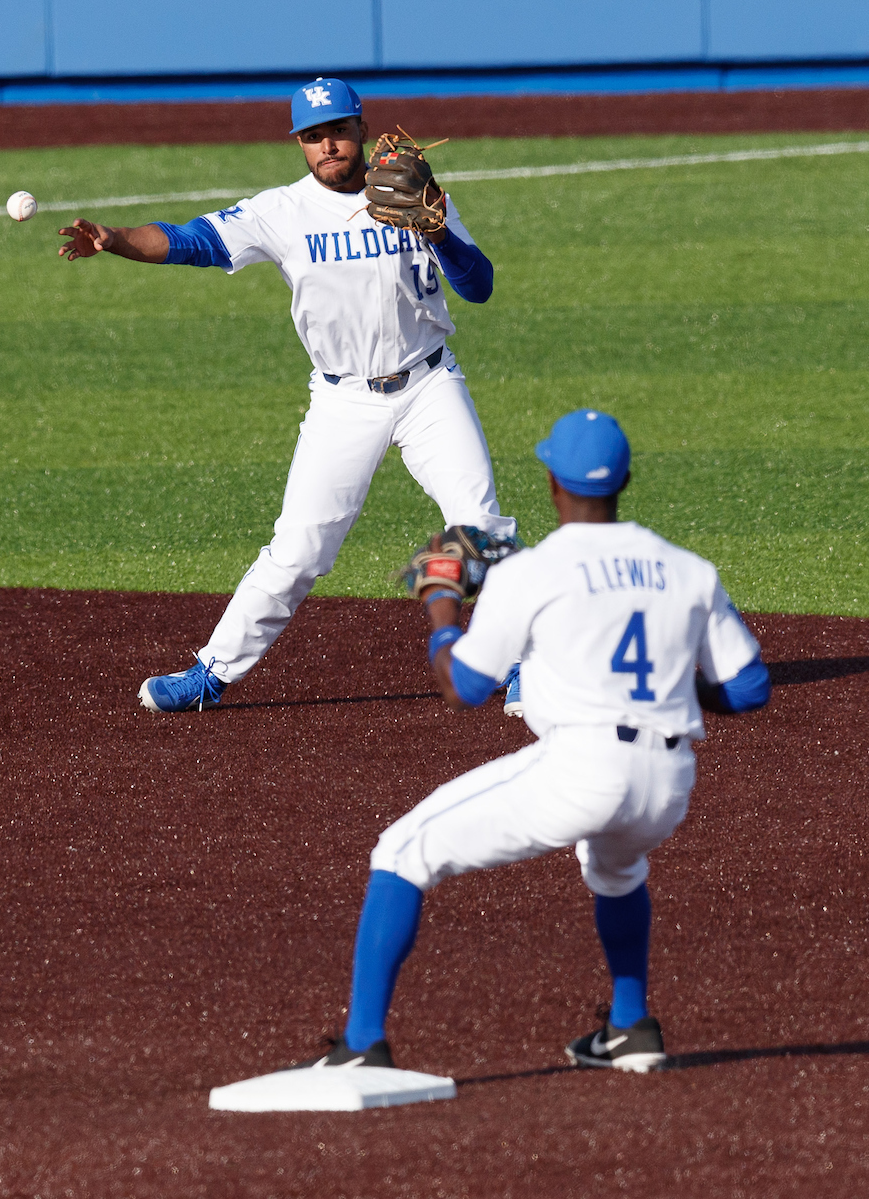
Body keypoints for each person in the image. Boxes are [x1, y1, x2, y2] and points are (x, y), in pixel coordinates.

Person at [288, 409, 771, 1074]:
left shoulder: (532, 572)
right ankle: (629, 1027)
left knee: (402, 850)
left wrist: (439, 603)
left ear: (551, 483)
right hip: (667, 785)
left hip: (581, 771)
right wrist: (683, 692)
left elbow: (463, 686)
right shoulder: (687, 570)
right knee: (615, 867)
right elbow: (747, 687)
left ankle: (361, 1044)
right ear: (624, 480)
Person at [57, 77, 518, 713]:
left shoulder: (415, 190)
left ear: (361, 129)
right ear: (299, 144)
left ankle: (516, 661)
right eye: (313, 136)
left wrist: (435, 226)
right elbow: (194, 241)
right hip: (343, 401)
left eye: (338, 130)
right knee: (299, 547)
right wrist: (115, 239)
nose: (328, 145)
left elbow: (480, 286)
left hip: (430, 382)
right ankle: (213, 672)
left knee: (481, 523)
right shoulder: (281, 212)